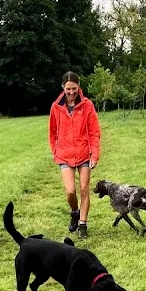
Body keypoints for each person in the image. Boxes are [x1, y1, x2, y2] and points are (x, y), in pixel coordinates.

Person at [48, 71, 101, 239]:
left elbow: (94, 132)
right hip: (64, 155)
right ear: (63, 88)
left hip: (84, 153)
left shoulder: (87, 106)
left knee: (84, 189)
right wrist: (55, 151)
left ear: (79, 88)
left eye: (74, 89)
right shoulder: (56, 107)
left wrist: (95, 155)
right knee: (70, 191)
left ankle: (83, 224)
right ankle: (74, 212)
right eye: (68, 89)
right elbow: (52, 133)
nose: (71, 93)